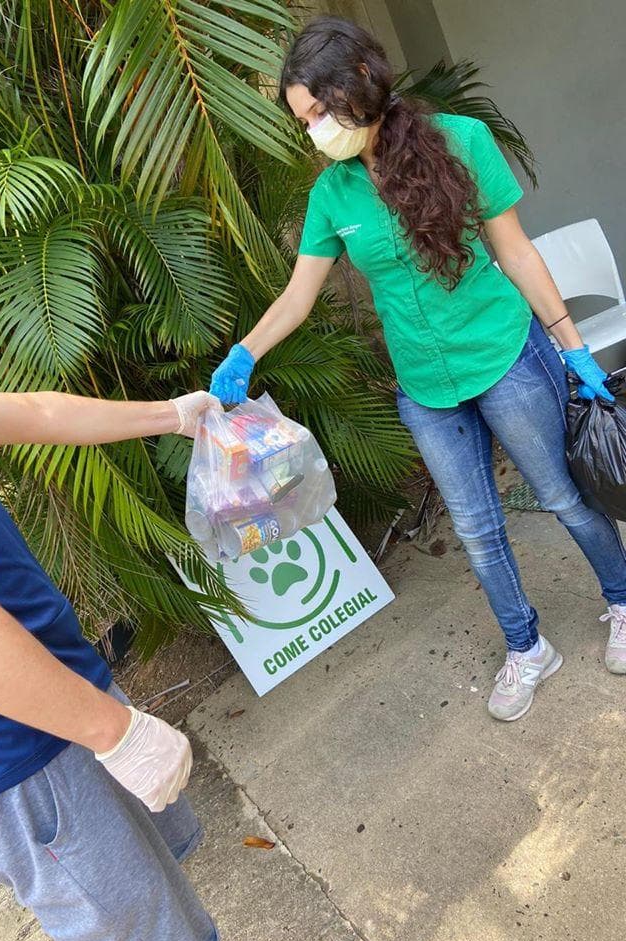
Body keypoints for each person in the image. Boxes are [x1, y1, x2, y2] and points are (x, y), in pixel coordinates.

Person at [209, 16, 626, 722]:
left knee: (560, 496)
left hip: (503, 357)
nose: (313, 131)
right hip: (425, 389)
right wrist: (245, 352)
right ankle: (527, 648)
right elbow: (299, 294)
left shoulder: (461, 141)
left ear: (359, 86)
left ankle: (620, 602)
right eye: (303, 120)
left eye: (317, 112)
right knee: (476, 530)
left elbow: (517, 252)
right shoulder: (331, 196)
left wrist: (570, 343)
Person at [0, 364, 220, 941]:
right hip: (5, 750)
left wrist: (172, 415)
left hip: (66, 687)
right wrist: (113, 732)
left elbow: (32, 413)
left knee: (172, 922)